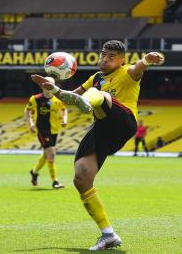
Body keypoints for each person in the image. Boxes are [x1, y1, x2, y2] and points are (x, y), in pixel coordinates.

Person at [31, 40, 164, 250]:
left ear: (121, 61)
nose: (105, 59)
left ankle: (91, 101)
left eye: (111, 56)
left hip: (123, 120)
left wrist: (148, 59)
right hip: (102, 126)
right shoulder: (96, 77)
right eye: (103, 54)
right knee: (81, 177)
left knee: (102, 96)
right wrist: (53, 89)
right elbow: (71, 97)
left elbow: (140, 66)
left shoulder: (128, 72)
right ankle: (108, 234)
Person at [25, 77, 68, 189]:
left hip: (54, 130)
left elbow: (64, 109)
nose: (49, 86)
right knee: (52, 154)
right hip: (42, 130)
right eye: (47, 84)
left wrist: (64, 119)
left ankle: (34, 172)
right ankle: (55, 181)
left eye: (51, 84)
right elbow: (27, 111)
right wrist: (31, 124)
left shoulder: (58, 99)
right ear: (42, 86)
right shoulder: (35, 99)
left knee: (46, 154)